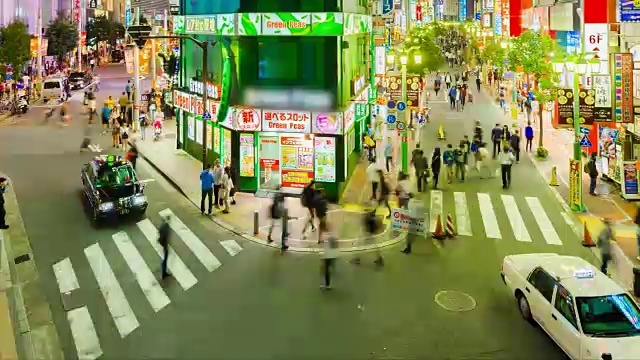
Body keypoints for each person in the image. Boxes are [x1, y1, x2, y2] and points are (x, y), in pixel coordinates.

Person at [319, 222, 338, 291]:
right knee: (327, 268)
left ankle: (325, 284)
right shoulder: (334, 235)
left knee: (324, 269)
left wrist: (321, 254)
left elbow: (322, 245)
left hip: (326, 254)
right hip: (332, 254)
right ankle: (327, 284)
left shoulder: (323, 235)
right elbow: (336, 244)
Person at [158, 214, 171, 279]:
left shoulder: (162, 226)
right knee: (165, 258)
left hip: (163, 244)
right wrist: (164, 245)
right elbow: (163, 236)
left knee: (164, 258)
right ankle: (164, 273)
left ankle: (164, 272)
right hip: (164, 244)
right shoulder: (166, 227)